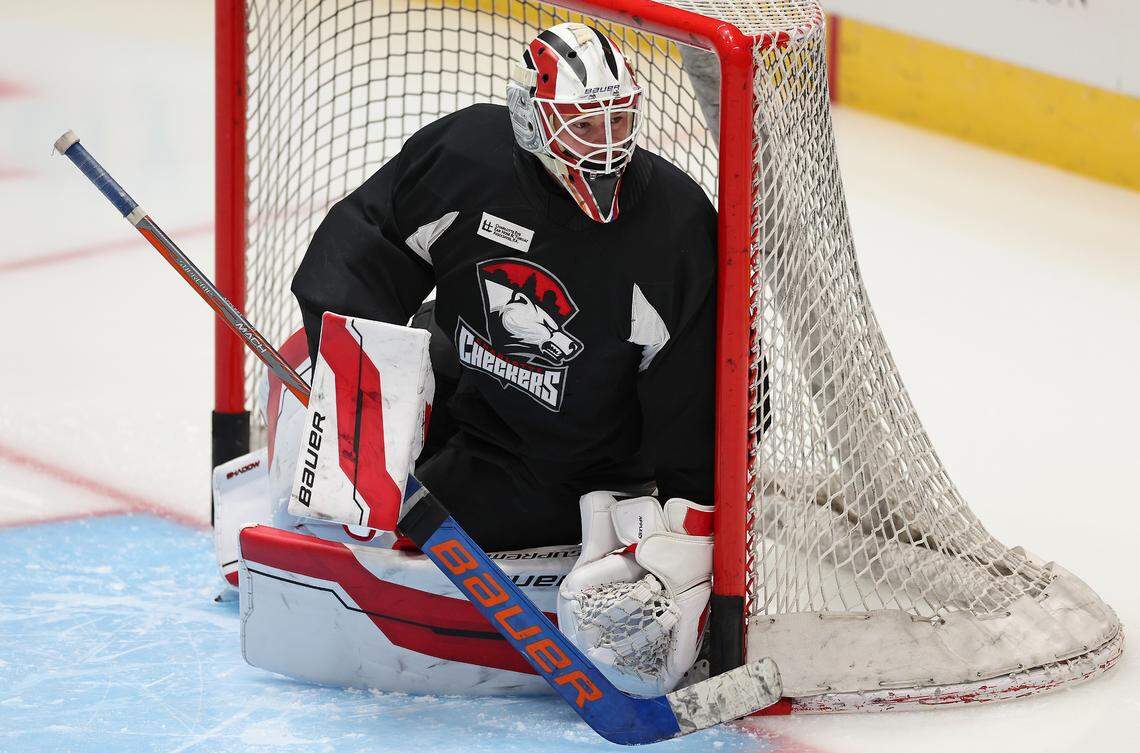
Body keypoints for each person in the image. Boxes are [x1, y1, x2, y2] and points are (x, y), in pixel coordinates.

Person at [289, 22, 718, 695]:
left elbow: (705, 393)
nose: (605, 147)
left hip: (560, 462)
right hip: (467, 386)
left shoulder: (674, 225)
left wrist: (689, 533)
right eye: (582, 123)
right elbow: (366, 239)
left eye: (619, 119)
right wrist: (362, 376)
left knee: (413, 520)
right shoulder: (468, 157)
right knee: (305, 380)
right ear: (531, 118)